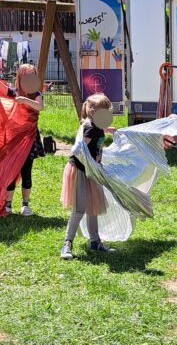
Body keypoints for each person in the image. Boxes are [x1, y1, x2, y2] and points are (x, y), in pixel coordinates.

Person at [60, 93, 114, 259]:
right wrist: (92, 163)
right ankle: (67, 244)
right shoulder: (90, 128)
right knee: (80, 208)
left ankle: (95, 241)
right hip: (81, 172)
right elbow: (80, 150)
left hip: (91, 171)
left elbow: (95, 135)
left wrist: (107, 130)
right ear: (92, 112)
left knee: (93, 207)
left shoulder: (95, 126)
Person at [2, 64, 45, 216]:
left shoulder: (36, 94)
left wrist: (25, 101)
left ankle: (25, 205)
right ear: (20, 78)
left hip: (30, 139)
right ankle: (7, 204)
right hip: (14, 139)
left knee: (26, 172)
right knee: (12, 172)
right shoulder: (13, 92)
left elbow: (40, 107)